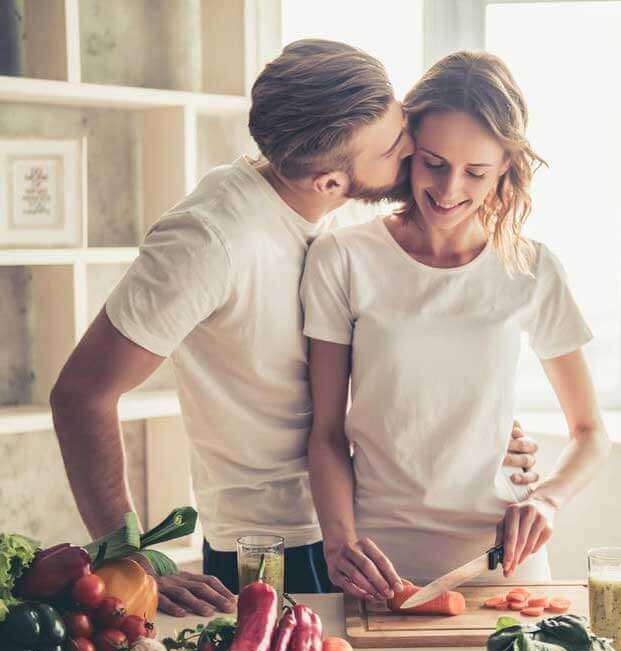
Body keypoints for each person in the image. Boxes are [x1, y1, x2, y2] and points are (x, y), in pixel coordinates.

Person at [50, 41, 539, 617]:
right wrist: (127, 556)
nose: (412, 150)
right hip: (273, 545)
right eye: (393, 145)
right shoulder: (206, 242)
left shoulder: (344, 203)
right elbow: (81, 394)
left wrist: (479, 430)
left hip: (370, 524)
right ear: (332, 180)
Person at [301, 51, 612, 601]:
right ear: (407, 153)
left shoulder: (531, 268)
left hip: (503, 560)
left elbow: (589, 432)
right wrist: (339, 541)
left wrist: (547, 500)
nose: (449, 190)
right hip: (378, 563)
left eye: (476, 172)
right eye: (434, 163)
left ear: (506, 168)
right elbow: (326, 431)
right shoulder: (342, 256)